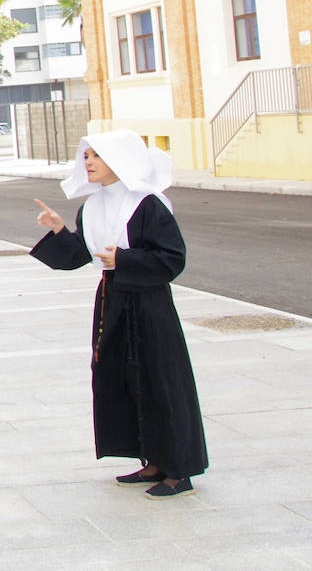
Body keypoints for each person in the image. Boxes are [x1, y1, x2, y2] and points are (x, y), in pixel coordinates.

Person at [29, 130, 207, 499]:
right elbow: (81, 255)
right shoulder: (92, 206)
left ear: (119, 160)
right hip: (112, 300)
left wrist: (123, 259)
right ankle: (152, 460)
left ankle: (179, 471)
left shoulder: (147, 204)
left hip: (149, 303)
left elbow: (172, 259)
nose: (88, 162)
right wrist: (60, 230)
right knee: (123, 378)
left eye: (96, 156)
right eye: (87, 156)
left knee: (161, 380)